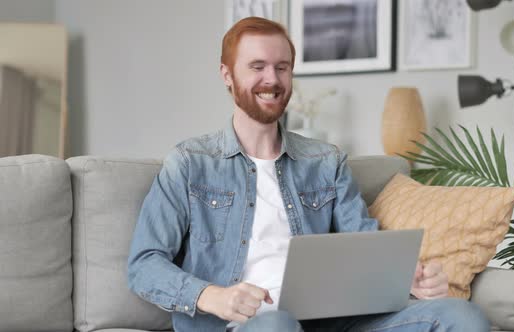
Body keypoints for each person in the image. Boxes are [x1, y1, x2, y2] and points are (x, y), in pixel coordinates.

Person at [127, 17, 490, 332]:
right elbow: (144, 265)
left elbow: (364, 247)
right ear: (227, 74)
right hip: (243, 326)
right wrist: (213, 297)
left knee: (463, 317)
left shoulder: (325, 161)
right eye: (257, 66)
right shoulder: (190, 163)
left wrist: (409, 280)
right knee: (277, 325)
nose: (272, 79)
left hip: (332, 323)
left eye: (282, 67)